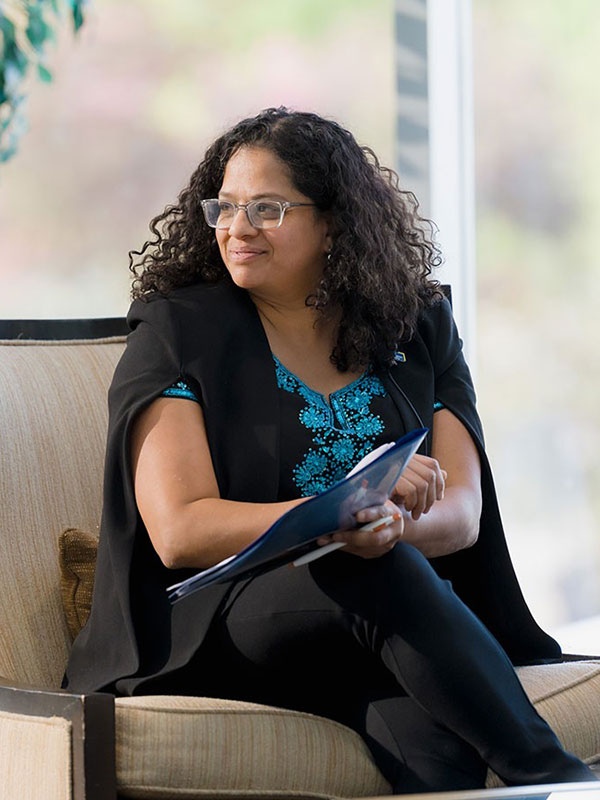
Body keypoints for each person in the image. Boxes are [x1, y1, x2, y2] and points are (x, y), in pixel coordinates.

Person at [63, 107, 596, 792]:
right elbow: (180, 529)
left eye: (267, 208)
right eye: (224, 206)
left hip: (372, 626)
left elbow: (463, 515)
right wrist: (340, 515)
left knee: (437, 747)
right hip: (213, 625)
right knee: (365, 564)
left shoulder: (419, 322)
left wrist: (393, 525)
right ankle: (563, 778)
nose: (236, 227)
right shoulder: (180, 330)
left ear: (334, 222)